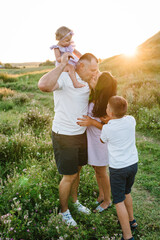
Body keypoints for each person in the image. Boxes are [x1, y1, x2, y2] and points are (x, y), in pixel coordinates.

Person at [38, 52, 99, 226]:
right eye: (92, 70)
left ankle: (74, 201)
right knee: (69, 175)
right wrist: (61, 65)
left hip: (80, 134)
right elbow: (43, 85)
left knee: (77, 171)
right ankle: (64, 212)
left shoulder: (88, 81)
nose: (95, 73)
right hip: (64, 135)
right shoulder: (64, 78)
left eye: (96, 69)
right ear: (81, 66)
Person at [77, 72, 117, 212]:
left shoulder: (107, 104)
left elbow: (108, 127)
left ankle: (107, 200)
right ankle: (101, 194)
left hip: (100, 141)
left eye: (97, 78)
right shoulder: (96, 96)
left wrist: (91, 122)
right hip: (92, 140)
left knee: (101, 171)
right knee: (96, 168)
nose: (94, 77)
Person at [100, 96, 138, 240]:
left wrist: (108, 123)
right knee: (127, 192)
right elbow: (122, 120)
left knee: (118, 201)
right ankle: (132, 220)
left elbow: (102, 139)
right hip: (133, 164)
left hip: (118, 169)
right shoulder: (131, 120)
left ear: (109, 111)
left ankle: (127, 236)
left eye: (107, 107)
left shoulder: (107, 128)